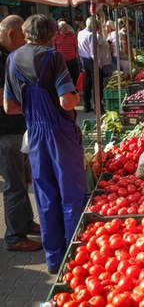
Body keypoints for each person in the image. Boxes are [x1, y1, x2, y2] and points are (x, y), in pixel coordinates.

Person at [3, 14, 86, 273]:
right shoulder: (53, 57)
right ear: (50, 35)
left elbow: (9, 107)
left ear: (26, 32)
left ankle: (54, 259)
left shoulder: (11, 60)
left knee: (45, 197)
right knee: (71, 195)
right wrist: (76, 93)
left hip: (35, 136)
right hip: (60, 134)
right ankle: (75, 258)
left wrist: (32, 110)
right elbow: (66, 102)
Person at [0, 15, 42, 252]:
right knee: (14, 185)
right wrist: (30, 100)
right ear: (11, 34)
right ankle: (15, 237)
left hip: (17, 129)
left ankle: (26, 223)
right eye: (23, 37)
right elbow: (4, 98)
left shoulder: (8, 56)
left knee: (23, 180)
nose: (25, 42)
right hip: (5, 132)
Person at [77, 17, 105, 113]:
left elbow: (79, 50)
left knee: (87, 84)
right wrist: (99, 64)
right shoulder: (91, 35)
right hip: (92, 61)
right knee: (97, 84)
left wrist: (81, 62)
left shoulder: (80, 33)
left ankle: (86, 105)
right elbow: (94, 52)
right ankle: (98, 107)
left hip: (84, 60)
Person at [53, 20, 80, 85]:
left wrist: (76, 56)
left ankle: (75, 92)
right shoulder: (56, 36)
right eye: (64, 27)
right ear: (60, 28)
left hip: (72, 60)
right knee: (64, 78)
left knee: (75, 77)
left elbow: (76, 46)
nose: (66, 28)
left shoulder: (71, 35)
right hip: (62, 61)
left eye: (66, 27)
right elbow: (54, 48)